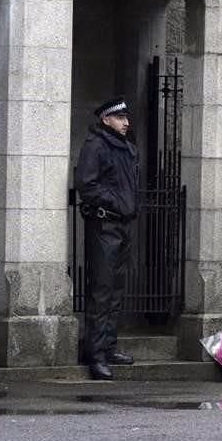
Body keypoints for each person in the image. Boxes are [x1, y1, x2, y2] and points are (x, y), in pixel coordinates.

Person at [75, 96, 139, 380]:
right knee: (101, 290)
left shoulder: (125, 147)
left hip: (122, 225)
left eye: (126, 118)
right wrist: (114, 201)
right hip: (104, 225)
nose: (126, 123)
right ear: (106, 119)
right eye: (120, 118)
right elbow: (86, 185)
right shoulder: (96, 145)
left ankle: (109, 347)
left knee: (116, 290)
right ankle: (96, 355)